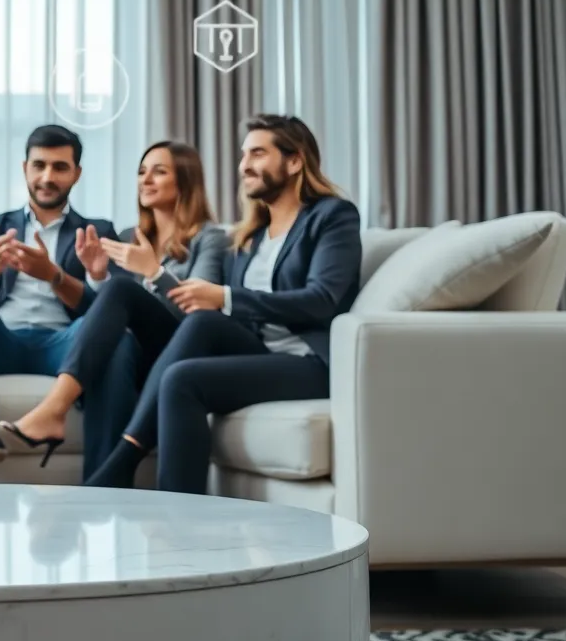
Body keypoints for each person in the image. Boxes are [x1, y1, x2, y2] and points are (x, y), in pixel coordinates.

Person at [84, 114, 362, 493]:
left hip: (308, 362)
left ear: (294, 161)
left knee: (181, 379)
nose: (245, 165)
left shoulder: (331, 216)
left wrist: (225, 297)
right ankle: (125, 468)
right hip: (259, 351)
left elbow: (322, 300)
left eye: (258, 154)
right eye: (244, 155)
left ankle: (135, 473)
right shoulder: (249, 238)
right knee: (202, 324)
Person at [0, 140, 229, 479]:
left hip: (182, 347)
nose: (145, 180)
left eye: (159, 172)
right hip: (138, 353)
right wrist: (97, 276)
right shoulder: (127, 237)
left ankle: (54, 409)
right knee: (117, 346)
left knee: (122, 290)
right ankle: (103, 486)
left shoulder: (210, 238)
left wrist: (154, 272)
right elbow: (111, 316)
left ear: (185, 180)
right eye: (141, 172)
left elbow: (200, 315)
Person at [0, 124, 139, 467]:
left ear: (77, 174)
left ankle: (105, 475)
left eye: (60, 167)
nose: (47, 177)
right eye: (39, 165)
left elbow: (110, 317)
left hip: (66, 347)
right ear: (25, 168)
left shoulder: (98, 232)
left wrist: (57, 276)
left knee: (121, 341)